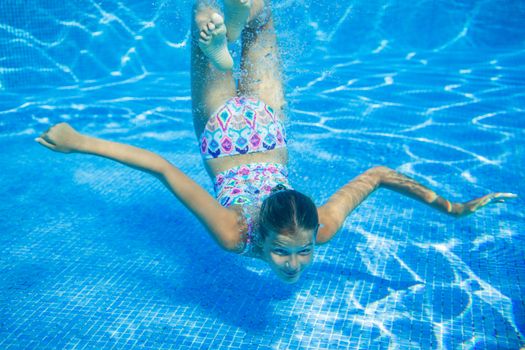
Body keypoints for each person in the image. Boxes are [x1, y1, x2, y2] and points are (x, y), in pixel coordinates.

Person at [35, 0, 516, 284]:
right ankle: (225, 43)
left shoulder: (317, 227)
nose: (294, 263)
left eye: (300, 252)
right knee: (229, 8)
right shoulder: (236, 234)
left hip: (265, 127)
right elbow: (162, 168)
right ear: (262, 235)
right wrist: (78, 142)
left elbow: (377, 176)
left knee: (245, 12)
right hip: (226, 134)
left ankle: (229, 40)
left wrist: (451, 208)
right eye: (289, 251)